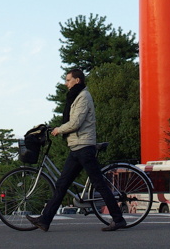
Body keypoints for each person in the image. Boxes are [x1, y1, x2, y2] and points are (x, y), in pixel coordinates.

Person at [28, 69, 127, 232]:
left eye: (68, 80)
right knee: (62, 184)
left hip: (84, 146)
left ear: (77, 80)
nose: (66, 83)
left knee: (99, 184)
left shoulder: (83, 97)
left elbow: (75, 123)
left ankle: (118, 219)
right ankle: (45, 220)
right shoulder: (75, 97)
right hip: (76, 147)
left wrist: (59, 129)